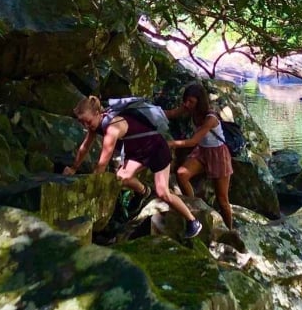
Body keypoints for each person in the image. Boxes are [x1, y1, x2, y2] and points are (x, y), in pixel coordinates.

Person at [64, 95, 203, 240]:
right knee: (121, 178)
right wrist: (73, 167)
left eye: (87, 121)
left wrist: (89, 188)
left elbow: (102, 165)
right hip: (138, 153)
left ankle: (193, 221)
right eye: (82, 122)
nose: (86, 126)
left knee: (163, 193)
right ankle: (144, 192)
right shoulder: (96, 124)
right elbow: (85, 147)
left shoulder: (112, 128)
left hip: (156, 149)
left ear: (98, 113)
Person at [167, 82, 234, 230]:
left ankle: (230, 230)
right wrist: (148, 112)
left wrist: (172, 143)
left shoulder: (210, 118)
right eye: (186, 100)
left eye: (191, 101)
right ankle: (194, 209)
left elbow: (193, 141)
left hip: (218, 154)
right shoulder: (189, 109)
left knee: (222, 199)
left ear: (199, 101)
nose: (187, 104)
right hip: (202, 151)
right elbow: (171, 114)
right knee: (181, 174)